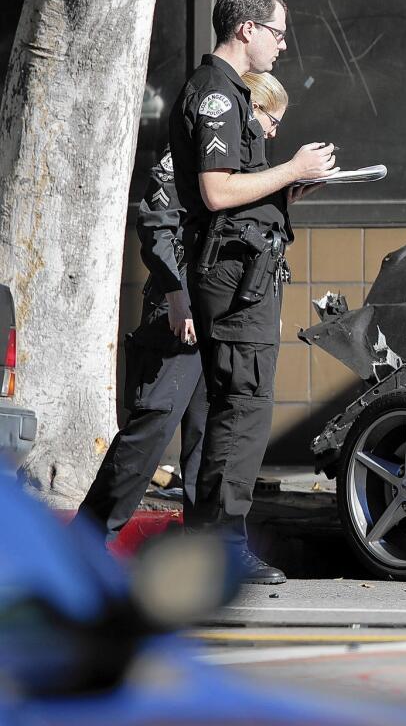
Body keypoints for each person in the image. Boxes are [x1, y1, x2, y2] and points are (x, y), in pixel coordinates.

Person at [77, 71, 293, 546]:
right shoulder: (195, 156)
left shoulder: (247, 166)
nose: (273, 132)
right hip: (179, 312)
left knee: (210, 434)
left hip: (223, 312)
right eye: (270, 119)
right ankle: (87, 539)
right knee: (153, 425)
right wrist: (177, 298)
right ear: (248, 110)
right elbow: (157, 227)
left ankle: (205, 547)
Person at [169, 0, 336, 584]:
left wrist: (288, 188)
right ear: (246, 30)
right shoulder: (216, 95)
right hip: (235, 278)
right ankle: (220, 548)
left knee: (229, 406)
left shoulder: (230, 94)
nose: (283, 45)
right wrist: (290, 168)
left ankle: (209, 544)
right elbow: (217, 192)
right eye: (278, 32)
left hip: (241, 271)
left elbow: (235, 191)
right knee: (244, 408)